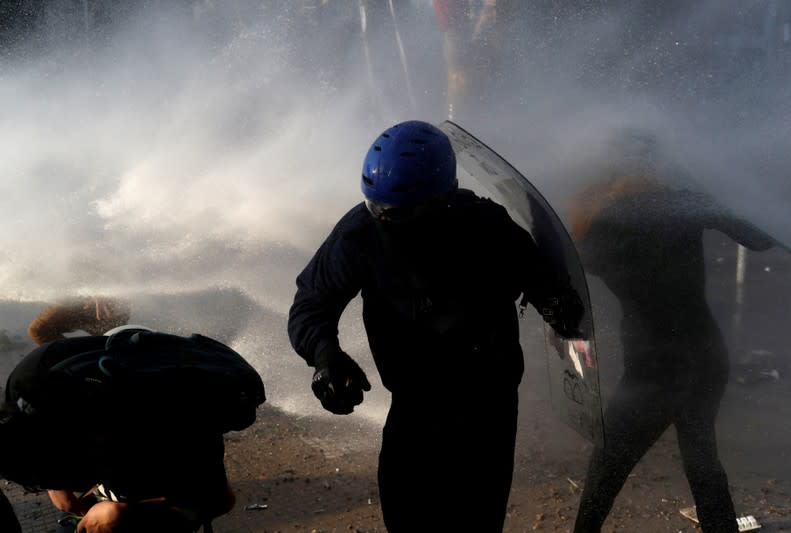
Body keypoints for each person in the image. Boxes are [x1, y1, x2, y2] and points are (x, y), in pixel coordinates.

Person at [287, 120, 584, 532]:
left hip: (487, 414)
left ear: (440, 198)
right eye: (377, 208)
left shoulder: (489, 227)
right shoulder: (360, 233)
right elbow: (311, 303)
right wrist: (326, 356)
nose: (385, 220)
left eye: (399, 213)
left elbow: (545, 285)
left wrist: (558, 303)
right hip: (414, 410)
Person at [568, 130, 778, 533]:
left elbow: (575, 268)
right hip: (703, 358)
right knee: (701, 461)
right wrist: (701, 186)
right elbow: (759, 238)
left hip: (656, 368)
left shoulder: (607, 220)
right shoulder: (680, 203)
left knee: (607, 468)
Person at [0, 327, 237, 533]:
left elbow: (220, 500)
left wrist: (125, 515)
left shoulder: (170, 418)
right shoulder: (27, 386)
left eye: (75, 470)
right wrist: (57, 486)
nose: (81, 486)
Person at [27, 296, 131, 345]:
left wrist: (103, 298)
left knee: (112, 344)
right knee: (38, 330)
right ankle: (72, 359)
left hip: (110, 306)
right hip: (76, 301)